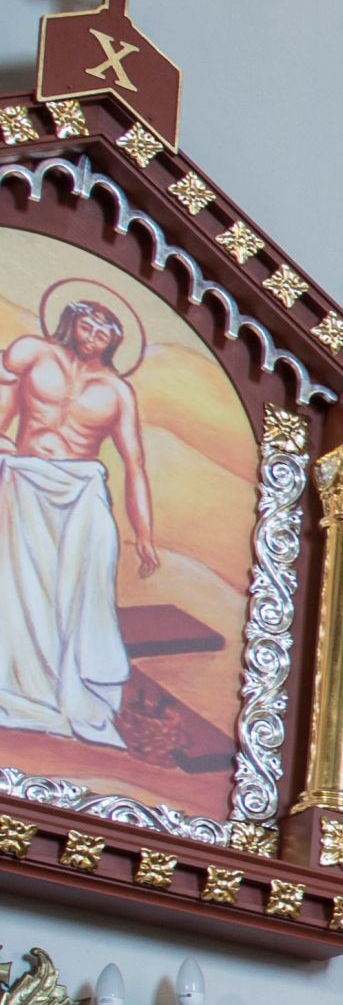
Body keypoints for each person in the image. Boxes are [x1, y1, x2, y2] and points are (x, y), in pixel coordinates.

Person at [0, 289, 157, 752]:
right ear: (70, 323)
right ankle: (20, 691)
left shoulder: (117, 392)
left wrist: (145, 534)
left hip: (82, 493)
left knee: (79, 594)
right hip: (24, 482)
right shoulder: (33, 353)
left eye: (104, 332)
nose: (93, 336)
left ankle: (70, 695)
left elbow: (135, 464)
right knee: (15, 590)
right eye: (87, 326)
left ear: (115, 341)